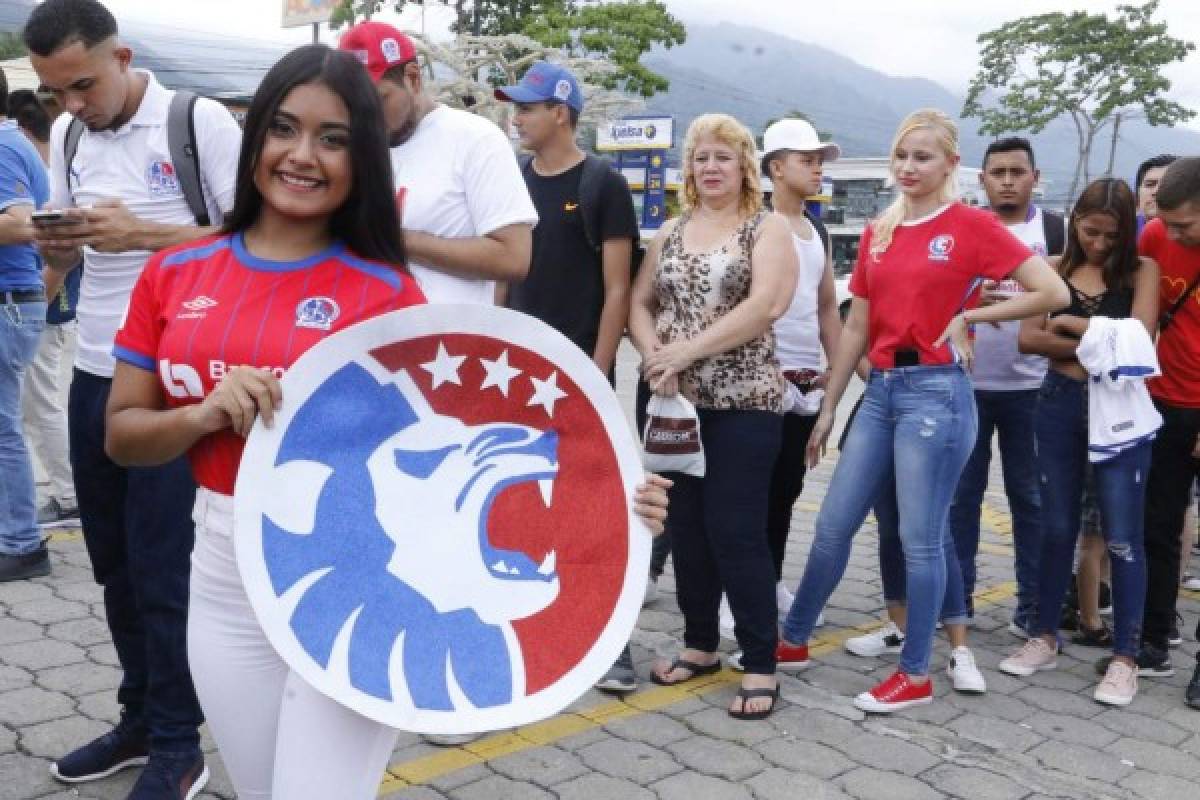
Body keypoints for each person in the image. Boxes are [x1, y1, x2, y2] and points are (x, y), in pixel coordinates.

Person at [778, 108, 1067, 714]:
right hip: (880, 390)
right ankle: (793, 640)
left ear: (951, 165)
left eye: (923, 157)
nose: (909, 168)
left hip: (937, 393)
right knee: (833, 524)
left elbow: (1052, 291)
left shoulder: (971, 226)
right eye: (901, 157)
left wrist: (972, 316)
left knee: (921, 540)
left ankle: (915, 674)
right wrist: (831, 405)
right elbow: (858, 323)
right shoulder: (883, 230)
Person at [24, 0, 243, 794]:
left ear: (122, 56)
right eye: (55, 93)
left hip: (174, 374)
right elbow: (76, 241)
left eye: (81, 84)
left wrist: (145, 235)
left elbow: (259, 232)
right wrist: (58, 245)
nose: (71, 105)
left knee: (163, 570)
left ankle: (181, 743)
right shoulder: (75, 136)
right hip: (92, 364)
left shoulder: (199, 120)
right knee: (112, 564)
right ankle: (141, 718)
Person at [629, 112, 799, 721]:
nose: (711, 167)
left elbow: (767, 305)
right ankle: (700, 645)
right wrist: (655, 358)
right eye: (700, 157)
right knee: (687, 530)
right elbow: (638, 302)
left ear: (745, 164)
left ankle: (759, 662)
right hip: (674, 403)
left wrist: (684, 352)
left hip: (744, 406)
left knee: (736, 530)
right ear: (688, 168)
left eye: (723, 156)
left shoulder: (766, 228)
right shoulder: (670, 231)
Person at [494, 62, 644, 694]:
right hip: (515, 375)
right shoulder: (515, 178)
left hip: (578, 373)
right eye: (515, 107)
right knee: (512, 500)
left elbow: (617, 290)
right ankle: (517, 625)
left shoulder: (602, 182)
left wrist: (598, 369)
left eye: (527, 107)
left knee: (589, 508)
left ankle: (614, 643)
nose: (517, 116)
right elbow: (505, 270)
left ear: (561, 112)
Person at [999, 178, 1159, 707]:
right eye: (1091, 231)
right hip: (1059, 406)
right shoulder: (1055, 265)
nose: (1100, 244)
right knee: (1056, 526)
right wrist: (1097, 342)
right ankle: (1043, 634)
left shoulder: (1142, 271)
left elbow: (1141, 345)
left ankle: (1125, 657)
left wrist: (1069, 326)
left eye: (1112, 235)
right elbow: (1028, 338)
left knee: (1122, 536)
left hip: (1119, 414)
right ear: (1075, 222)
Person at [722, 117, 841, 670]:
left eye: (820, 159)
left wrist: (834, 383)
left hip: (802, 384)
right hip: (754, 381)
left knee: (785, 496)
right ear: (775, 168)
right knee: (746, 496)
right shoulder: (753, 225)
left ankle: (767, 585)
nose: (818, 168)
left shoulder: (816, 230)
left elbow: (825, 309)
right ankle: (734, 598)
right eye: (807, 159)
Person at [337, 21, 535, 305]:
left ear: (413, 78)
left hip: (448, 344)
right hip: (366, 338)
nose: (365, 117)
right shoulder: (351, 148)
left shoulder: (476, 139)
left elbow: (513, 257)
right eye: (353, 106)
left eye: (378, 100)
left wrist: (396, 239)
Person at [1128, 157, 1200, 709]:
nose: (1172, 234)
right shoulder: (1154, 235)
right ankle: (1153, 640)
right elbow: (1144, 320)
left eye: (1185, 226)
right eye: (1167, 224)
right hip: (1163, 405)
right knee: (1157, 529)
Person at [9, 88, 81, 529]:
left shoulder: (29, 160)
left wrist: (37, 306)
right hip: (44, 306)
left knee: (41, 406)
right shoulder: (42, 160)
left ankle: (70, 495)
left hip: (47, 307)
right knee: (34, 408)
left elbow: (57, 258)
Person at [0, 67, 52, 582]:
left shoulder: (0, 147)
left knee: (3, 430)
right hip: (18, 300)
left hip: (9, 303)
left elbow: (18, 226)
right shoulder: (20, 145)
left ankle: (21, 541)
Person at [1135, 154, 1177, 235]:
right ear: (1137, 196)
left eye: (1167, 184)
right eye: (1150, 184)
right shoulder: (1121, 234)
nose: (1157, 191)